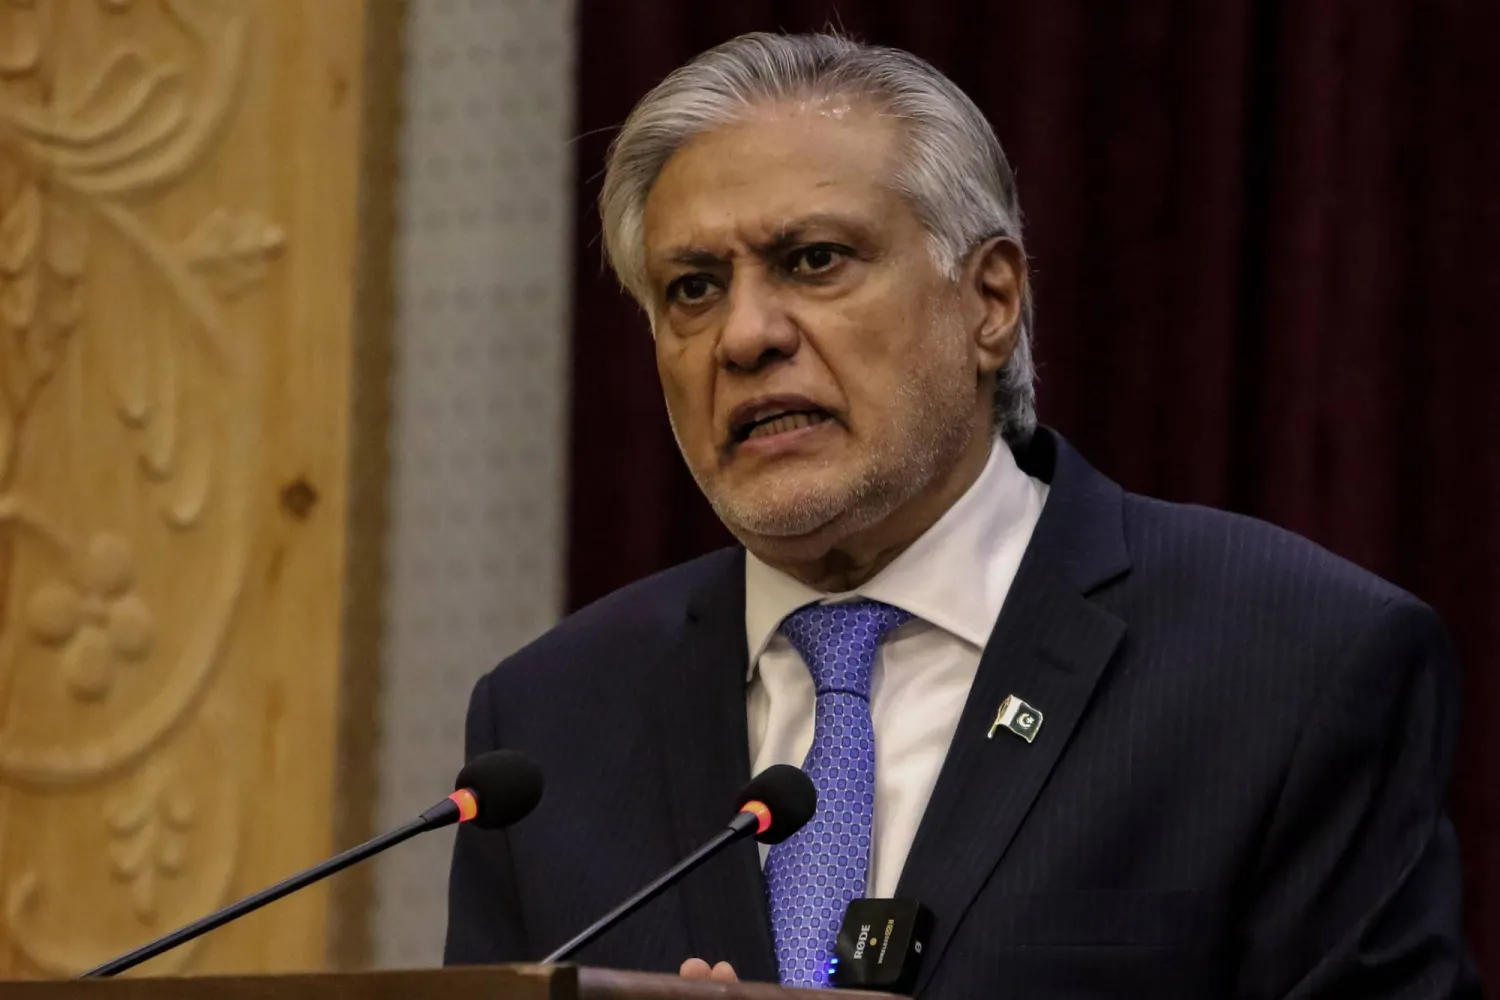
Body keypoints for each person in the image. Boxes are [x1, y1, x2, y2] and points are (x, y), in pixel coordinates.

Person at [444, 31, 1478, 998]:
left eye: (814, 260)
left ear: (989, 300)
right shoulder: (547, 728)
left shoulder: (1287, 660)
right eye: (692, 288)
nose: (746, 335)